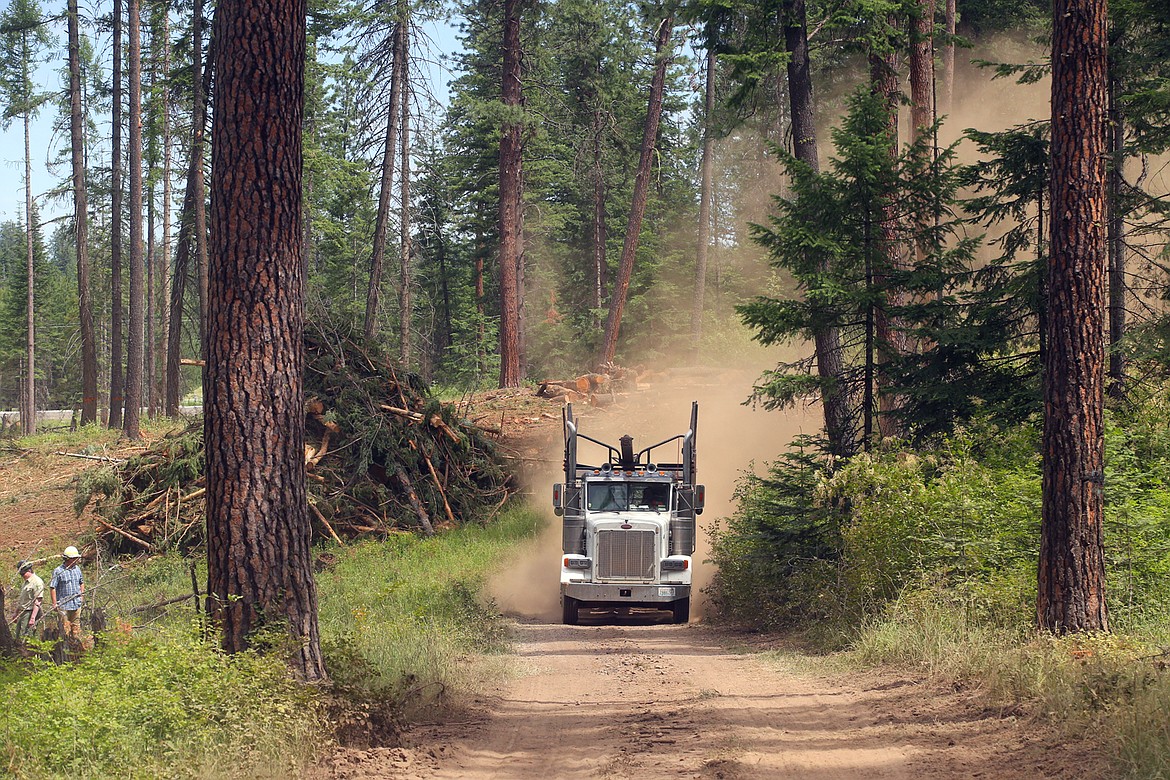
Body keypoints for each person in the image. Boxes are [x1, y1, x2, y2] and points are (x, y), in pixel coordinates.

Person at [50, 546, 85, 645]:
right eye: (74, 559)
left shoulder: (77, 569)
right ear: (68, 559)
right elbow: (53, 587)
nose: (76, 560)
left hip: (76, 605)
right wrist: (54, 603)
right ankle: (65, 650)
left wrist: (81, 595)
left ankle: (76, 649)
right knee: (65, 630)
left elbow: (81, 582)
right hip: (64, 606)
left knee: (76, 629)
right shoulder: (58, 571)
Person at [15, 559, 43, 639]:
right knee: (18, 635)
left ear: (29, 570)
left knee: (26, 636)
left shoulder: (37, 582)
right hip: (22, 612)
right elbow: (22, 599)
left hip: (30, 612)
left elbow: (38, 601)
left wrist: (32, 618)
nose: (22, 576)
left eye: (23, 573)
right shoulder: (26, 582)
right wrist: (16, 613)